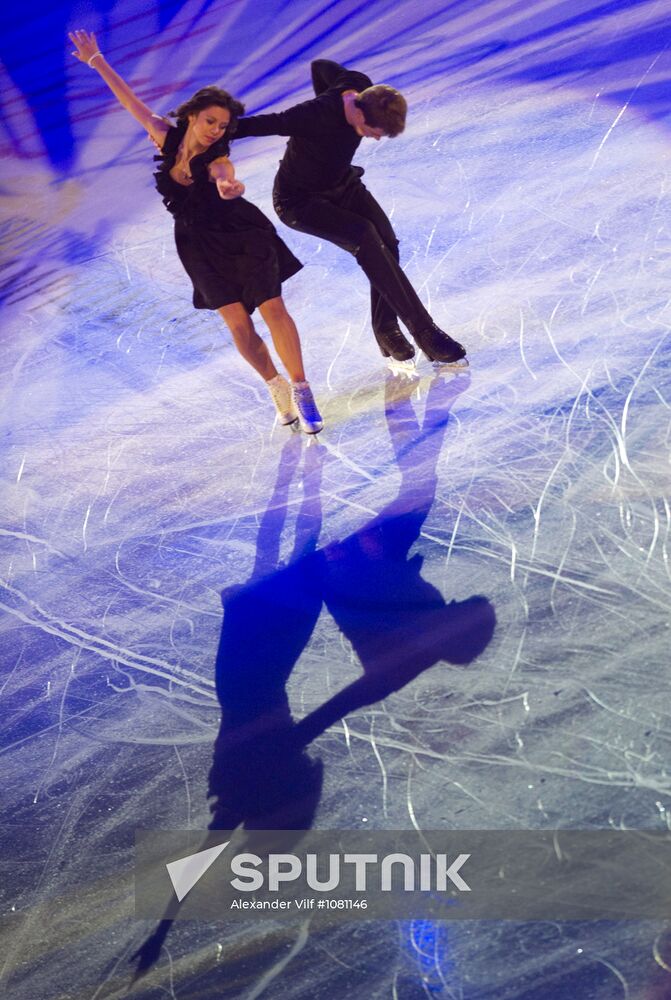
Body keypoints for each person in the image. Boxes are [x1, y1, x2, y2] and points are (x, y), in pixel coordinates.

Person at [68, 30, 323, 434]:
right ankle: (275, 386)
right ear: (191, 116)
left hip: (241, 233)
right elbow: (128, 101)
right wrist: (96, 59)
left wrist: (228, 184)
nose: (216, 130)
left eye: (223, 125)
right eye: (211, 121)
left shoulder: (218, 156)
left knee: (273, 308)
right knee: (238, 324)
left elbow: (223, 171)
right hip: (196, 245)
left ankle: (302, 388)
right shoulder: (162, 135)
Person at [231, 58, 468, 372]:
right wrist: (191, 132)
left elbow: (320, 67)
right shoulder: (311, 116)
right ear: (359, 111)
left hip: (343, 185)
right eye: (373, 131)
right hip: (298, 202)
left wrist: (328, 93)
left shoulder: (357, 82)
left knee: (387, 242)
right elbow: (253, 125)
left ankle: (386, 330)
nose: (375, 138)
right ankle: (425, 333)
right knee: (365, 237)